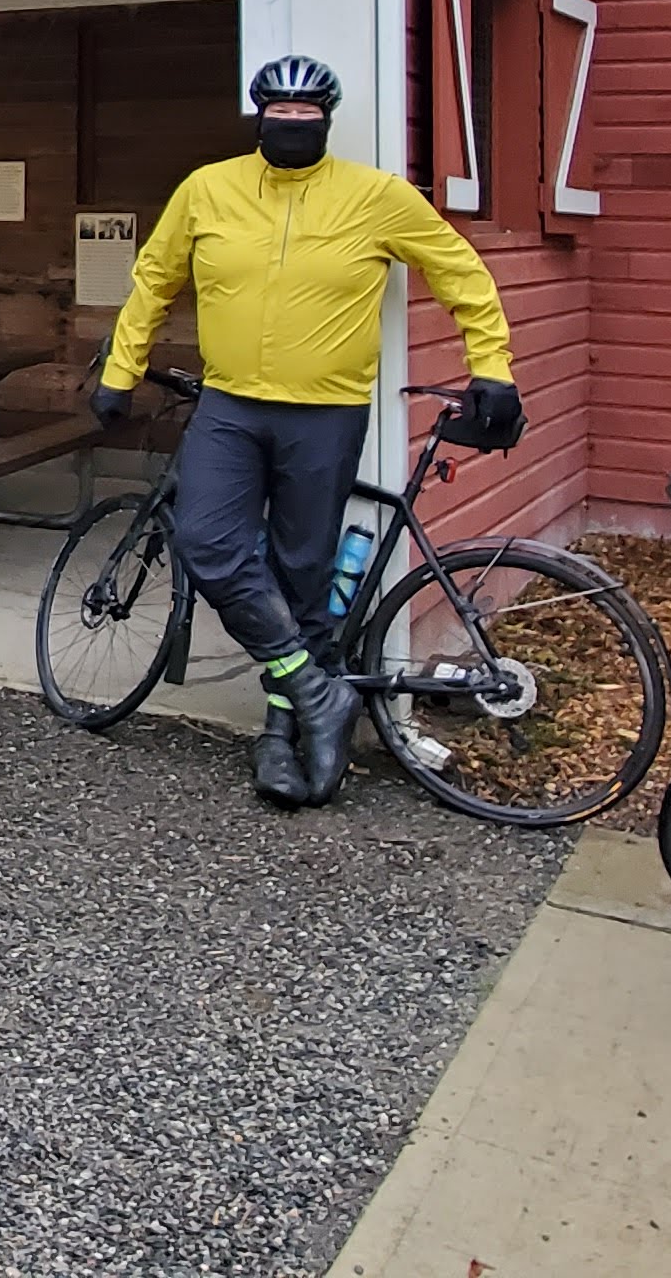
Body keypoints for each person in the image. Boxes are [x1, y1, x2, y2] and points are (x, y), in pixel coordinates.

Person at [90, 56, 523, 809]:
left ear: (326, 118)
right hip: (231, 406)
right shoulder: (208, 189)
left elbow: (462, 274)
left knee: (303, 572)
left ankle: (281, 736)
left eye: (307, 117)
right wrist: (119, 373)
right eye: (278, 116)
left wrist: (493, 368)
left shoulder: (378, 197)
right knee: (208, 542)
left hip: (325, 414)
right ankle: (315, 690)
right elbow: (155, 280)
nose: (292, 126)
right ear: (258, 118)